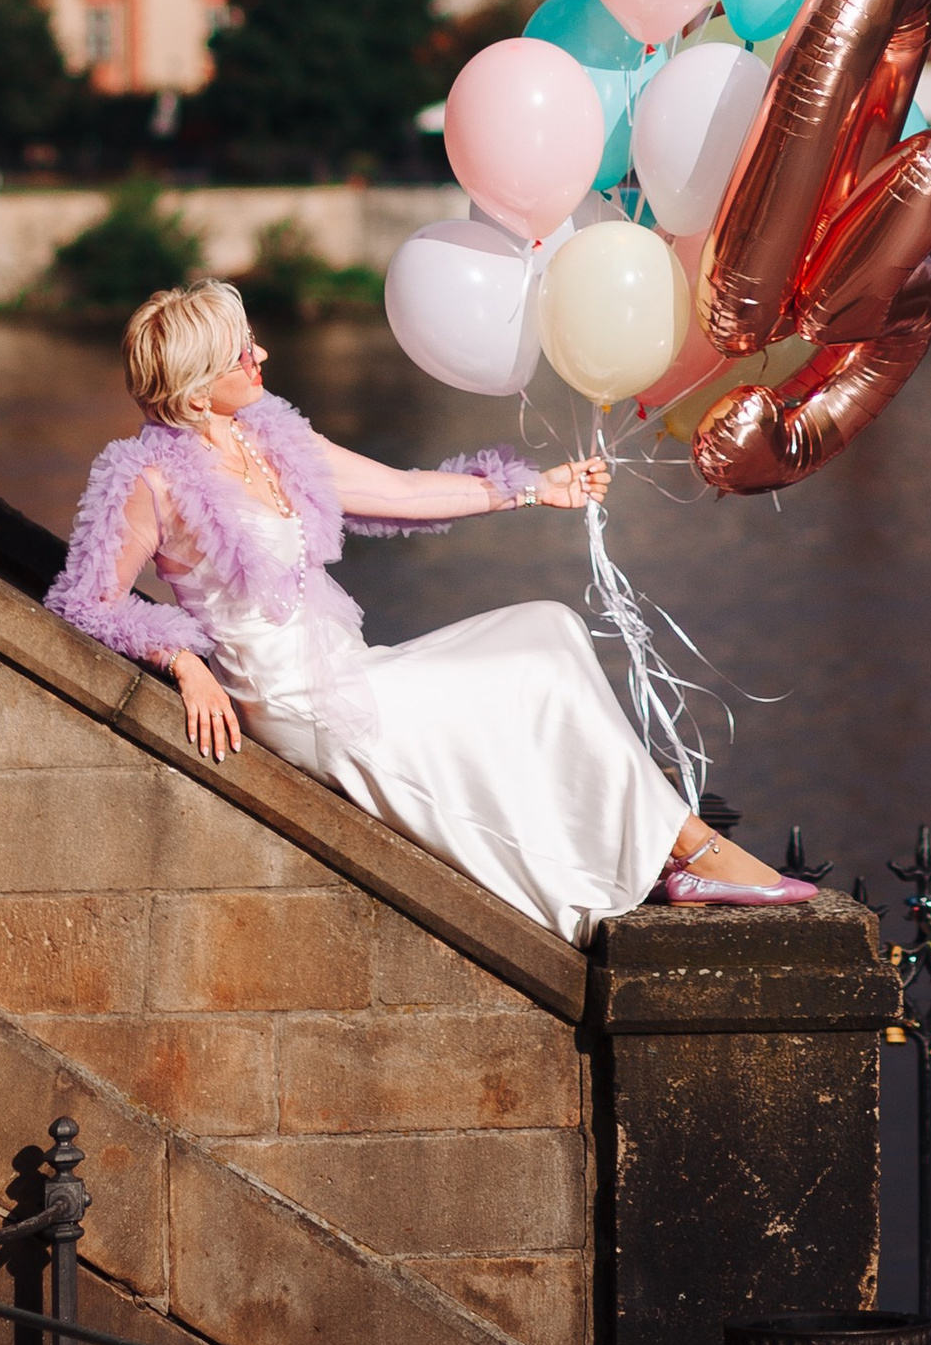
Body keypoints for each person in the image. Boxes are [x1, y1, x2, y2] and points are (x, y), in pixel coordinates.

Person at [47, 278, 813, 944]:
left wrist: (530, 488)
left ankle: (659, 844)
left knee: (549, 626)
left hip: (347, 668)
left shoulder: (269, 436)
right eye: (243, 352)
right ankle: (691, 848)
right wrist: (185, 661)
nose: (262, 358)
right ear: (194, 377)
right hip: (294, 702)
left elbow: (404, 491)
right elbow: (85, 602)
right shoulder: (146, 475)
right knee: (538, 676)